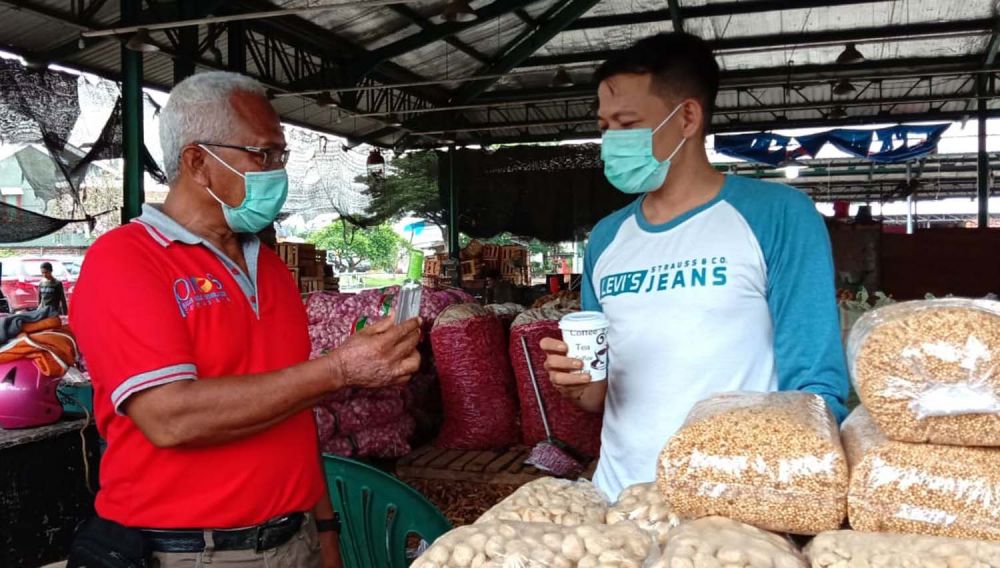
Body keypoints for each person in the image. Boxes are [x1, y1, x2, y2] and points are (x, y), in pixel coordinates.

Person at [69, 71, 421, 568]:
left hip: (293, 539)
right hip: (191, 553)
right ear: (197, 162)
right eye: (264, 154)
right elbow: (170, 417)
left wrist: (324, 532)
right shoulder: (126, 260)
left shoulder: (270, 269)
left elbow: (293, 411)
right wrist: (339, 370)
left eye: (281, 156)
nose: (278, 172)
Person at [541, 33, 849, 500]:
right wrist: (576, 383)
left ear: (686, 116)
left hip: (734, 500)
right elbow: (599, 395)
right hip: (622, 499)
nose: (610, 141)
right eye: (604, 125)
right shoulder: (607, 238)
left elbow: (815, 387)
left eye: (626, 123)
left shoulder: (777, 216)